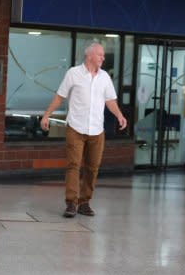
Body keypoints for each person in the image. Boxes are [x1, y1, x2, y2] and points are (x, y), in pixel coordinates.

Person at [40, 42, 127, 218]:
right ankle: (71, 202)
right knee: (73, 165)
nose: (103, 58)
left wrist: (119, 115)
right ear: (90, 56)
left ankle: (84, 202)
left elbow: (110, 101)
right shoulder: (73, 73)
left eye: (103, 55)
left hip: (97, 130)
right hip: (76, 128)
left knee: (93, 168)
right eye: (100, 55)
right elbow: (60, 96)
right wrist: (46, 115)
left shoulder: (104, 78)